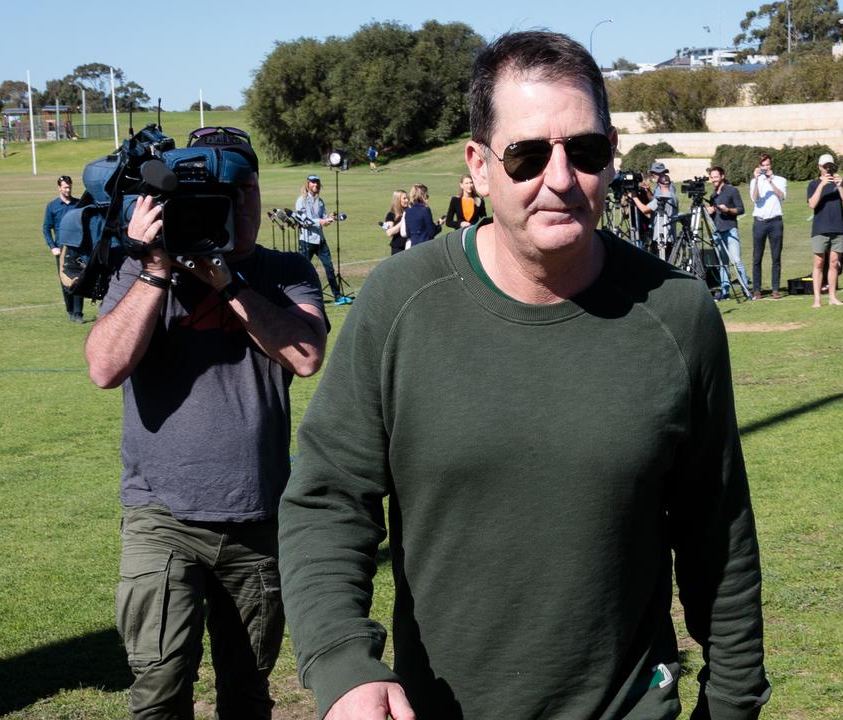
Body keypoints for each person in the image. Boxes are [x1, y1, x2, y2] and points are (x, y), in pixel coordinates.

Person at [278, 29, 769, 720]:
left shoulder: (678, 312)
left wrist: (733, 705)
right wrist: (343, 662)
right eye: (528, 155)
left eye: (586, 151)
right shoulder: (398, 304)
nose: (561, 179)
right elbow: (327, 503)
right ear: (478, 166)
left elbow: (718, 536)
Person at [83, 128, 329, 720]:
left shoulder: (286, 270)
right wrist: (155, 267)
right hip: (160, 514)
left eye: (248, 188)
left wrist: (228, 281)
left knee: (247, 692)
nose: (240, 205)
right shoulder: (141, 270)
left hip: (254, 515)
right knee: (159, 689)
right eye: (226, 192)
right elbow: (104, 368)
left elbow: (305, 356)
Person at [296, 174, 352, 305]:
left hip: (320, 240)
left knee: (329, 268)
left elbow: (324, 218)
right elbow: (304, 220)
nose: (315, 185)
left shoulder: (320, 201)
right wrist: (321, 221)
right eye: (313, 182)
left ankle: (337, 297)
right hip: (306, 240)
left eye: (317, 183)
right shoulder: (301, 201)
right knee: (302, 269)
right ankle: (299, 295)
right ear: (308, 184)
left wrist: (329, 218)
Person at [806, 153, 843, 308]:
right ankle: (817, 299)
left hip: (838, 227)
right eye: (825, 166)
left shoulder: (840, 182)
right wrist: (822, 185)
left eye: (830, 166)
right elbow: (812, 204)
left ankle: (832, 296)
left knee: (834, 263)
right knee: (818, 263)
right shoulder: (813, 184)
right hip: (820, 229)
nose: (828, 169)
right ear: (819, 167)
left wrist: (839, 186)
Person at [42, 174, 84, 323]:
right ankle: (70, 310)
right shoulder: (52, 206)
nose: (68, 189)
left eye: (70, 186)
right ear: (59, 188)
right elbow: (46, 228)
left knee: (78, 280)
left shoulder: (78, 204)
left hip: (77, 249)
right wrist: (52, 246)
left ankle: (78, 313)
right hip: (61, 250)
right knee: (65, 281)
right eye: (65, 187)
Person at [748, 153, 787, 300]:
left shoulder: (780, 180)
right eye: (763, 165)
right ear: (759, 167)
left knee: (776, 257)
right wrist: (758, 179)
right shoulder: (754, 181)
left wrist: (771, 182)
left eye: (768, 165)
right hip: (759, 222)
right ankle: (757, 290)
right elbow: (755, 198)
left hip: (775, 222)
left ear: (771, 165)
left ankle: (775, 289)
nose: (765, 168)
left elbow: (782, 196)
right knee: (757, 257)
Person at [707, 165, 749, 301]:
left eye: (716, 177)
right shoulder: (712, 196)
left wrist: (728, 210)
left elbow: (741, 209)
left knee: (736, 261)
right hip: (717, 232)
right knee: (722, 263)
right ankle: (725, 291)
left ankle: (746, 289)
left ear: (722, 176)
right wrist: (709, 212)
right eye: (712, 177)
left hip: (730, 229)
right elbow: (713, 216)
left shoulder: (732, 191)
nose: (714, 180)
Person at [647, 161, 680, 254]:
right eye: (653, 173)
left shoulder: (669, 187)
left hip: (663, 229)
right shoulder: (658, 186)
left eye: (655, 173)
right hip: (658, 225)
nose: (653, 175)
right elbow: (655, 201)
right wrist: (648, 191)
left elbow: (661, 202)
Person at [402, 183, 441, 249]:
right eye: (426, 195)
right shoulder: (425, 210)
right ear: (423, 196)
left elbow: (408, 233)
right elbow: (432, 232)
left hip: (413, 247)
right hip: (425, 247)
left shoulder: (408, 211)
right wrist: (439, 225)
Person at [383, 189, 411, 255]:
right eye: (404, 198)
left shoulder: (410, 211)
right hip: (398, 248)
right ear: (398, 200)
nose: (407, 200)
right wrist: (402, 222)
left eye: (407, 198)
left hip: (411, 245)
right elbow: (389, 233)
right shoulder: (391, 214)